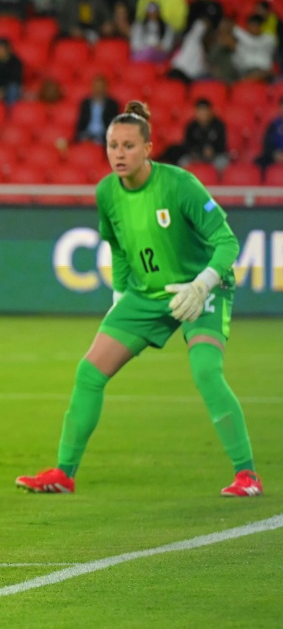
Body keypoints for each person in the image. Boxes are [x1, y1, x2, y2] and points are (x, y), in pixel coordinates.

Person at [16, 101, 262, 498]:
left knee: (205, 371)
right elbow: (116, 244)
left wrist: (202, 284)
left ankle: (247, 474)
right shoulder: (107, 193)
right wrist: (119, 293)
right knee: (89, 372)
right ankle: (64, 473)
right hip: (146, 295)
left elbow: (228, 241)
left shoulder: (179, 184)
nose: (119, 153)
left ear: (148, 148)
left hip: (202, 290)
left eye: (129, 145)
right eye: (113, 145)